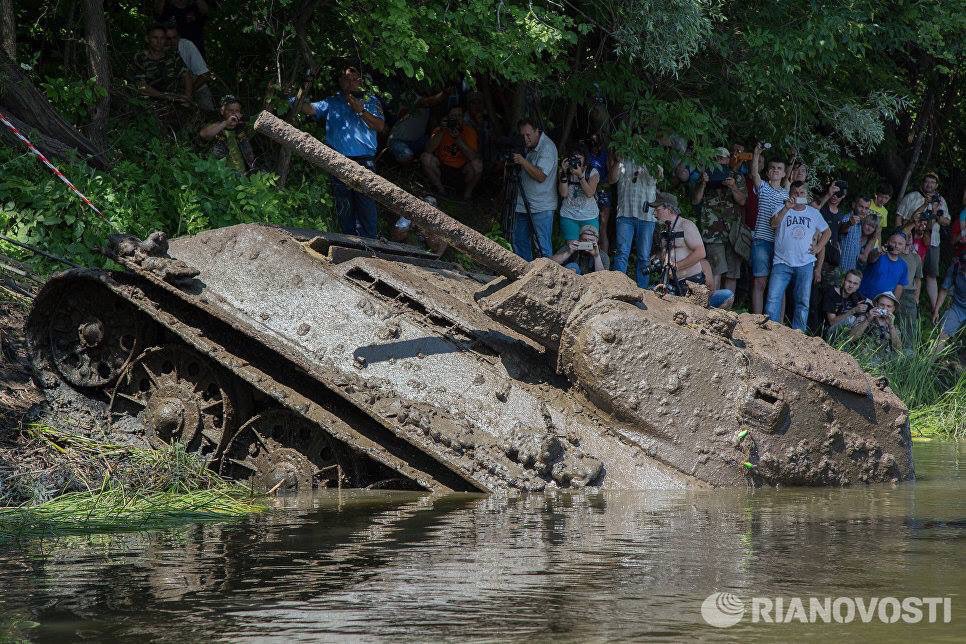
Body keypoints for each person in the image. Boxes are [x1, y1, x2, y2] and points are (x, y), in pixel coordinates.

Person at [297, 66, 385, 238]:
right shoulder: (332, 101)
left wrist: (360, 110)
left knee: (366, 204)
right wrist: (292, 97)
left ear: (361, 81)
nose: (350, 83)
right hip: (338, 159)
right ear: (340, 81)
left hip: (364, 161)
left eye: (354, 79)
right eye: (346, 79)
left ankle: (371, 244)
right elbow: (309, 109)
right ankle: (349, 241)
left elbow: (380, 126)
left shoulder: (371, 100)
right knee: (344, 204)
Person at [764, 180, 831, 331]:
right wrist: (786, 208)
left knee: (803, 301)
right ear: (790, 194)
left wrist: (818, 247)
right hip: (781, 261)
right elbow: (773, 224)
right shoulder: (781, 208)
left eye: (802, 193)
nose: (798, 195)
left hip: (805, 262)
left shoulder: (813, 213)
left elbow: (827, 232)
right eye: (795, 193)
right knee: (773, 298)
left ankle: (798, 334)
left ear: (806, 195)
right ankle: (770, 331)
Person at [691, 147, 746, 294]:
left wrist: (733, 186)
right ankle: (714, 303)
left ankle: (728, 304)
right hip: (712, 233)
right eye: (716, 158)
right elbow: (696, 200)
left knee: (732, 273)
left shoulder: (736, 177)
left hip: (733, 233)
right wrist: (703, 183)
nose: (719, 161)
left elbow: (742, 201)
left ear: (728, 159)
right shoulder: (705, 175)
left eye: (722, 158)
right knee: (716, 271)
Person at [896, 172, 951, 310]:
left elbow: (947, 221)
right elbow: (899, 216)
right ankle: (901, 303)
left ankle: (934, 310)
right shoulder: (912, 196)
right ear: (922, 183)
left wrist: (936, 213)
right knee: (907, 272)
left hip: (932, 242)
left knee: (931, 275)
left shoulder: (941, 200)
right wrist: (898, 235)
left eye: (932, 182)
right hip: (910, 240)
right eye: (927, 181)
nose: (929, 184)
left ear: (936, 185)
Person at [510, 118, 558, 261]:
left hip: (541, 206)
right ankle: (523, 270)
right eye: (523, 135)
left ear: (537, 131)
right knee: (519, 240)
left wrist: (523, 161)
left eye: (528, 135)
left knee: (542, 247)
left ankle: (546, 273)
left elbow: (541, 176)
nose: (525, 138)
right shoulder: (529, 146)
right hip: (523, 203)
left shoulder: (547, 147)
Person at [609, 151, 659, 288]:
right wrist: (617, 161)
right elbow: (611, 180)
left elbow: (659, 175)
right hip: (625, 213)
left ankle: (643, 291)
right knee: (621, 253)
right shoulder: (622, 158)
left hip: (647, 216)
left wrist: (648, 164)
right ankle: (618, 289)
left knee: (644, 256)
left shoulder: (653, 158)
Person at [749, 144, 789, 314]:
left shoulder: (787, 194)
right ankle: (757, 320)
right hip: (761, 240)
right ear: (767, 172)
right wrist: (756, 153)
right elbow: (754, 174)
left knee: (779, 285)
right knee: (760, 282)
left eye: (779, 168)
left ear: (784, 173)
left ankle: (779, 323)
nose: (775, 170)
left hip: (780, 243)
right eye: (772, 167)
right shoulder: (763, 187)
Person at [420, 104, 482, 200]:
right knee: (426, 158)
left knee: (477, 165)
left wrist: (458, 139)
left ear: (463, 118)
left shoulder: (469, 131)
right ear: (447, 117)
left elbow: (473, 157)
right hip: (442, 169)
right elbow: (428, 150)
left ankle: (466, 196)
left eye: (459, 116)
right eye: (453, 116)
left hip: (461, 171)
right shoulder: (440, 130)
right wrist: (442, 131)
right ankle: (441, 191)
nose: (456, 119)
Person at [651, 192, 706, 294]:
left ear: (668, 209)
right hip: (671, 283)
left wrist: (676, 266)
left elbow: (701, 253)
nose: (654, 214)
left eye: (657, 210)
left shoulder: (686, 225)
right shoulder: (664, 229)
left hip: (691, 282)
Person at [132, 25, 192, 106]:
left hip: (176, 103)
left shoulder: (172, 54)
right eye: (155, 38)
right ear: (147, 39)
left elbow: (186, 74)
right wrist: (166, 97)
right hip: (151, 105)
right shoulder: (140, 57)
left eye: (162, 38)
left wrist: (187, 96)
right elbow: (141, 86)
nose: (159, 41)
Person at [163, 20, 213, 110]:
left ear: (179, 36)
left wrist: (189, 93)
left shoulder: (187, 45)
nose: (172, 41)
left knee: (206, 110)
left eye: (174, 37)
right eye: (168, 39)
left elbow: (205, 75)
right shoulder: (158, 49)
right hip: (172, 91)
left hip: (195, 86)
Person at [199, 95, 256, 174]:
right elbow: (204, 134)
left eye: (237, 110)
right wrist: (226, 123)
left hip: (244, 175)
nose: (234, 113)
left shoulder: (243, 128)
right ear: (222, 111)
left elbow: (261, 119)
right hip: (223, 175)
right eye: (230, 110)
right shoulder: (217, 127)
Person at [557, 145, 600, 240]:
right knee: (572, 246)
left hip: (589, 216)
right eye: (573, 158)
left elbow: (589, 193)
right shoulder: (565, 171)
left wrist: (580, 176)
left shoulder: (592, 172)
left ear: (585, 159)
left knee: (589, 246)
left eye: (579, 158)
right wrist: (563, 172)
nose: (576, 161)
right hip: (568, 215)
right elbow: (563, 193)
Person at [858, 232, 908, 300]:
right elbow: (870, 258)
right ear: (888, 242)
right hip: (863, 297)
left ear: (904, 247)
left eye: (900, 244)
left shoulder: (904, 265)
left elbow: (899, 287)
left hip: (882, 303)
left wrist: (894, 303)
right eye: (894, 242)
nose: (896, 246)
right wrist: (879, 251)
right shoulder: (879, 255)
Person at [932, 249, 965, 349]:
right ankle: (932, 358)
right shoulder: (955, 268)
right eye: (963, 264)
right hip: (958, 307)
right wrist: (936, 310)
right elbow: (944, 290)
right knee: (943, 334)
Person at [586, 134, 612, 254]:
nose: (594, 145)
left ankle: (604, 258)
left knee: (602, 228)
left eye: (596, 143)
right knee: (591, 228)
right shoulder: (586, 155)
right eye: (591, 142)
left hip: (604, 193)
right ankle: (591, 257)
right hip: (590, 193)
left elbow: (610, 176)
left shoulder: (605, 155)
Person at [822, 269, 866, 336]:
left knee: (865, 318)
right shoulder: (831, 294)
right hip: (829, 332)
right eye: (849, 281)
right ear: (843, 281)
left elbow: (871, 304)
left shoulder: (857, 296)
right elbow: (832, 322)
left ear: (858, 286)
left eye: (855, 283)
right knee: (852, 319)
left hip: (847, 332)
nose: (851, 286)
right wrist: (853, 310)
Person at [897, 232, 924, 342]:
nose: (908, 237)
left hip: (909, 293)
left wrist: (916, 297)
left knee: (910, 325)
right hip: (894, 290)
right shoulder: (896, 254)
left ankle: (908, 350)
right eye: (906, 235)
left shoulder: (916, 257)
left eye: (910, 235)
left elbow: (918, 279)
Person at [839, 196, 869, 272]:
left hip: (851, 269)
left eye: (866, 208)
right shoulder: (847, 218)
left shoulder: (860, 223)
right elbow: (842, 229)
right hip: (840, 269)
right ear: (853, 205)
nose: (863, 211)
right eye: (861, 207)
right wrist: (849, 223)